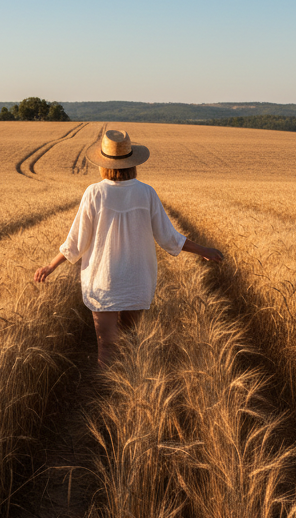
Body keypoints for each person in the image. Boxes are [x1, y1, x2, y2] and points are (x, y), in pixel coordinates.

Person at [33, 129, 223, 369]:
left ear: (104, 163)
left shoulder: (94, 193)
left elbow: (76, 242)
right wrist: (203, 250)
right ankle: (132, 396)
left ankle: (109, 395)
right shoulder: (146, 193)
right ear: (133, 162)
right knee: (132, 343)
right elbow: (169, 238)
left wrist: (50, 266)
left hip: (102, 280)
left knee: (107, 346)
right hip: (137, 278)